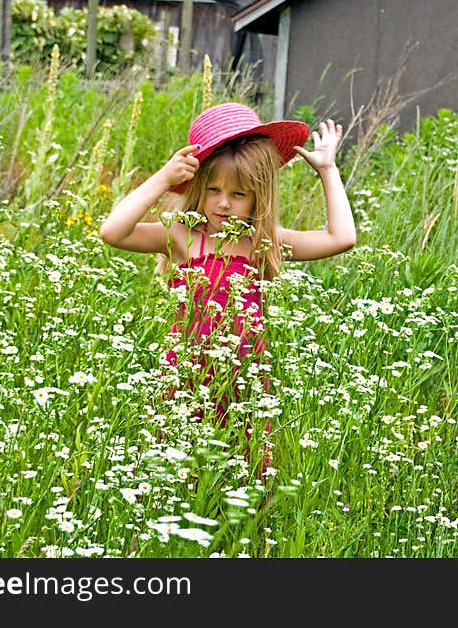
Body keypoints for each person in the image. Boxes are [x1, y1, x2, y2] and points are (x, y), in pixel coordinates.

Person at [99, 102, 356, 474]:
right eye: (214, 189)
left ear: (258, 196)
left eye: (239, 194)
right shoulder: (180, 234)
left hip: (243, 380)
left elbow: (341, 238)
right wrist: (163, 179)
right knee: (174, 469)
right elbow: (112, 232)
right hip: (185, 374)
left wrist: (328, 171)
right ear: (199, 188)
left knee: (240, 473)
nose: (223, 203)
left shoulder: (262, 242)